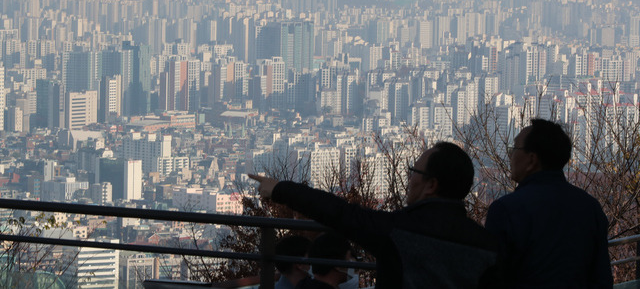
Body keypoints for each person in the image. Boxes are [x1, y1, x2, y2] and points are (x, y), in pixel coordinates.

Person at [250, 141, 502, 288]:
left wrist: (280, 189)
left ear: (431, 185)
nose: (410, 177)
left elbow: (338, 212)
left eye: (414, 170)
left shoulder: (397, 232)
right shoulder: (489, 247)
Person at [485, 118, 613, 288]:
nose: (510, 156)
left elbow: (491, 279)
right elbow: (602, 278)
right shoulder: (590, 207)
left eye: (514, 149)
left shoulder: (506, 210)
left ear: (532, 160)